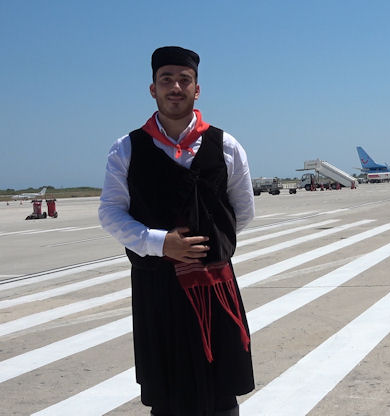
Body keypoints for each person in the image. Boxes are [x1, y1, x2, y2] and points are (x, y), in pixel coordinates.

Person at [99, 46, 255, 416]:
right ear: (152, 89)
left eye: (184, 80)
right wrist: (160, 244)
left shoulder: (226, 145)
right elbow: (110, 213)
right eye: (166, 79)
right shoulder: (127, 149)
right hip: (157, 285)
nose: (175, 87)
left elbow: (243, 211)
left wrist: (210, 244)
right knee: (168, 390)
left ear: (196, 90)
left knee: (220, 388)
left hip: (213, 283)